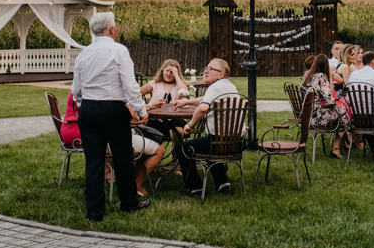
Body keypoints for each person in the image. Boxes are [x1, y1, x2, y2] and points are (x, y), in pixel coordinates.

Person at [72, 11, 149, 220]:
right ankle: (129, 203)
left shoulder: (83, 54)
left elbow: (76, 90)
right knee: (123, 157)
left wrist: (83, 105)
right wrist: (141, 110)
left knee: (94, 161)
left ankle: (95, 212)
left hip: (88, 109)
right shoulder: (119, 51)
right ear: (113, 30)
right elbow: (130, 85)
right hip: (113, 109)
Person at [60, 89, 165, 199]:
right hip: (101, 135)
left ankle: (111, 175)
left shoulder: (90, 89)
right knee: (159, 149)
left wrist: (147, 107)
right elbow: (131, 111)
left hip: (85, 131)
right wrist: (142, 111)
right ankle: (137, 185)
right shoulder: (112, 92)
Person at [173, 58, 240, 196]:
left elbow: (203, 108)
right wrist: (186, 102)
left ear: (221, 74)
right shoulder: (228, 86)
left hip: (218, 143)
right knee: (206, 142)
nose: (205, 71)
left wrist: (189, 125)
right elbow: (204, 98)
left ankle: (195, 187)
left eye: (210, 69)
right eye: (206, 68)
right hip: (236, 142)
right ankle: (223, 184)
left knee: (183, 148)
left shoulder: (215, 87)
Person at [301, 54, 350, 159]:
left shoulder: (306, 75)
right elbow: (329, 100)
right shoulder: (321, 77)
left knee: (341, 111)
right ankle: (336, 148)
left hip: (305, 117)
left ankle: (341, 146)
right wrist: (334, 101)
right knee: (343, 113)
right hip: (318, 118)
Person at [140, 59, 190, 138]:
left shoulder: (178, 86)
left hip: (174, 118)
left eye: (172, 72)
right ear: (162, 71)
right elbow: (137, 94)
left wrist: (177, 75)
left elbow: (184, 91)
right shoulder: (155, 84)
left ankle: (176, 149)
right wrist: (145, 105)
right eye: (167, 71)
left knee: (178, 131)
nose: (169, 74)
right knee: (147, 135)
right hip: (156, 119)